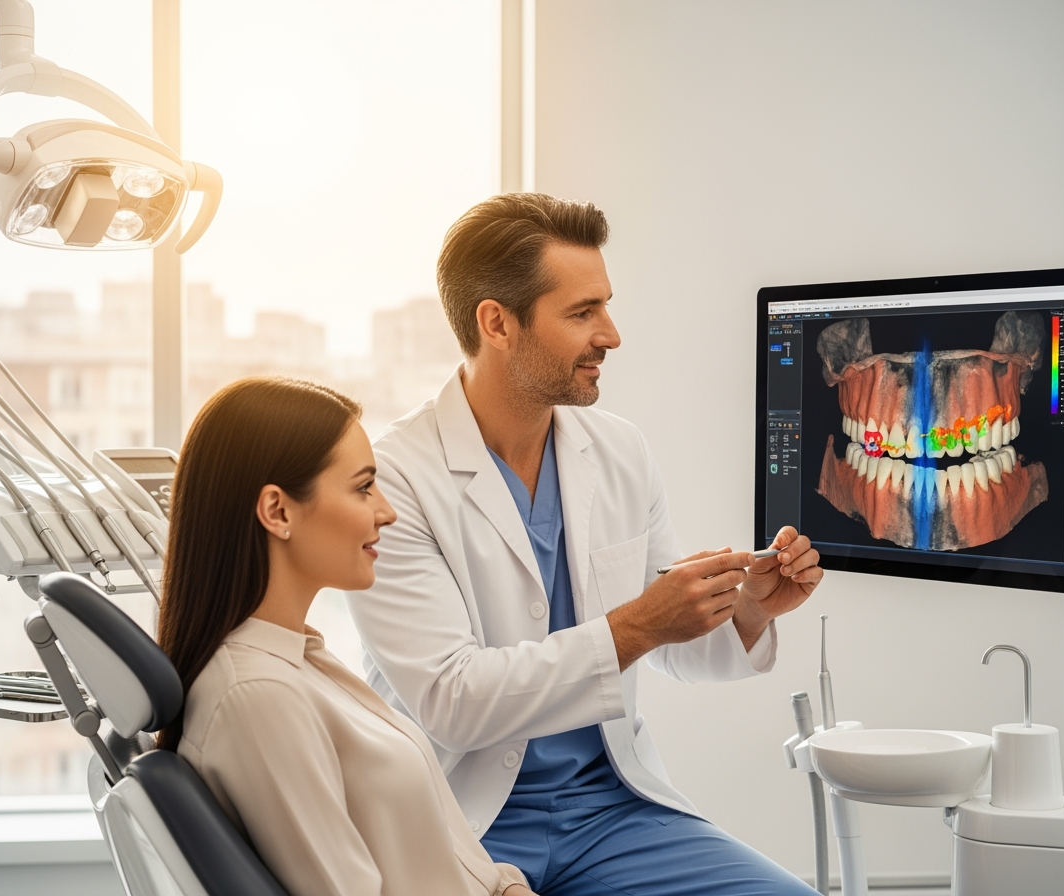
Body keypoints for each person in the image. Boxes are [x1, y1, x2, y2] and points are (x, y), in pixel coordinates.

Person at [348, 193, 824, 896]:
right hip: (460, 818)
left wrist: (745, 609)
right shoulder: (394, 478)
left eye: (605, 305)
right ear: (496, 323)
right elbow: (453, 701)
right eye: (582, 313)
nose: (612, 334)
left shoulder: (620, 450)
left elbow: (669, 648)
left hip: (613, 813)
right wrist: (639, 622)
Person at [155, 377, 536, 896]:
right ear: (278, 511)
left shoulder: (300, 660)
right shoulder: (258, 695)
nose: (388, 511)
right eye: (363, 487)